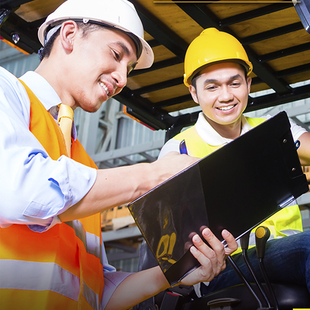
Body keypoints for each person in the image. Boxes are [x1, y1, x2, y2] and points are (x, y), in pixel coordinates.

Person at [0, 2, 239, 310]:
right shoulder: (7, 93)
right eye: (116, 55)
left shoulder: (82, 165)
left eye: (128, 68)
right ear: (70, 35)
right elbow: (20, 192)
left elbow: (98, 293)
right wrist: (153, 175)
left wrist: (179, 271)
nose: (123, 79)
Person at [137, 27, 310, 308]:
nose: (226, 96)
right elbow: (171, 240)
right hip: (222, 266)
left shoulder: (274, 129)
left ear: (249, 83)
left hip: (285, 254)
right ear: (193, 92)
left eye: (234, 83)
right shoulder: (179, 150)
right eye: (212, 87)